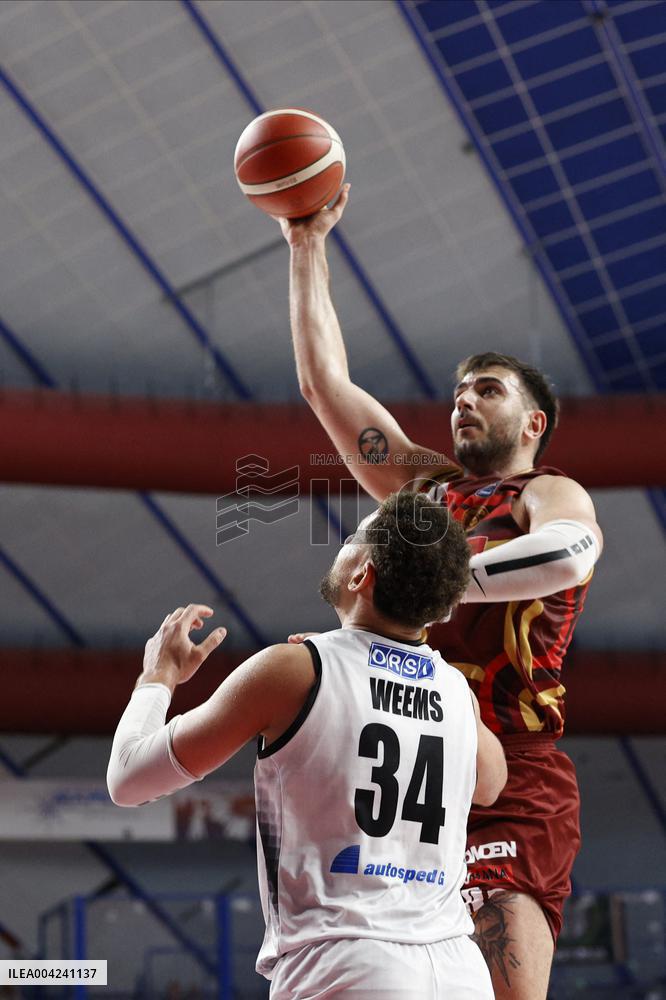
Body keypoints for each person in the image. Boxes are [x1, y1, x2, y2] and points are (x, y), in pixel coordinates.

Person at [275, 185, 603, 1000]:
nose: (464, 399)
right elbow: (326, 386)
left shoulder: (547, 491)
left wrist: (449, 582)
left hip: (513, 770)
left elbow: (570, 552)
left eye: (487, 389)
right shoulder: (424, 486)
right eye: (459, 390)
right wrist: (305, 243)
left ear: (533, 423)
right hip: (413, 760)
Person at [107, 493, 507, 999]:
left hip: (347, 962)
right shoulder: (455, 691)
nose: (340, 547)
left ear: (361, 575)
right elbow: (492, 785)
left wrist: (157, 677)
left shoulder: (294, 669)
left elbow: (127, 778)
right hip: (458, 971)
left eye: (350, 540)